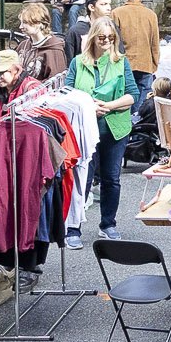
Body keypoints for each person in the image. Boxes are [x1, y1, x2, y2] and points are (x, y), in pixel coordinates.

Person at [65, 21, 136, 242]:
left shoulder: (121, 62)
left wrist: (110, 106)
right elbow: (67, 93)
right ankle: (73, 227)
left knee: (111, 179)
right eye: (102, 37)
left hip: (114, 129)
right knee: (81, 179)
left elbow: (132, 95)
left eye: (111, 38)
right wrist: (89, 107)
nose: (106, 42)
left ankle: (108, 223)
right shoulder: (78, 62)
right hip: (86, 129)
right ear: (93, 38)